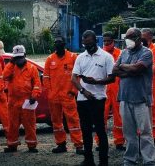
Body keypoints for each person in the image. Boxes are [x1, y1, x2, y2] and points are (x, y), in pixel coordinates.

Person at [71, 30, 115, 166]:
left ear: (96, 41)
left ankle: (103, 161)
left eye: (89, 42)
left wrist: (95, 82)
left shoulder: (106, 57)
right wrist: (83, 91)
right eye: (84, 43)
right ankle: (88, 160)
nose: (87, 45)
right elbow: (74, 78)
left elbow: (112, 78)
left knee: (100, 130)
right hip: (83, 99)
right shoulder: (80, 57)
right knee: (85, 130)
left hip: (98, 99)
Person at [113, 28, 155, 166]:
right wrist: (130, 70)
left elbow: (138, 69)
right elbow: (114, 70)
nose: (128, 40)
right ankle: (130, 159)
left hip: (141, 99)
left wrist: (124, 66)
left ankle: (148, 161)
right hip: (125, 98)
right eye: (127, 37)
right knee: (129, 133)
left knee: (145, 133)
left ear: (138, 38)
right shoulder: (124, 52)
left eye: (131, 37)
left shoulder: (147, 53)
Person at [43, 36, 84, 154]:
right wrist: (50, 92)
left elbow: (78, 75)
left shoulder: (73, 57)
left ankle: (78, 145)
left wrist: (73, 91)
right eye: (55, 43)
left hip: (68, 95)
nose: (57, 44)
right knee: (56, 121)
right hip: (54, 97)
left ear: (64, 44)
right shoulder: (50, 59)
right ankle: (61, 144)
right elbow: (46, 78)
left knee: (73, 120)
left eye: (59, 42)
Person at [3, 45, 41, 153]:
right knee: (12, 125)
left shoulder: (32, 68)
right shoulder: (11, 67)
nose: (19, 60)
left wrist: (34, 95)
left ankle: (32, 145)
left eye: (20, 57)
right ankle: (12, 145)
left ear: (25, 55)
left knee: (29, 124)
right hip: (13, 102)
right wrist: (11, 63)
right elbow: (4, 76)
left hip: (27, 101)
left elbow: (37, 84)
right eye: (16, 57)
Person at [95, 32, 125, 150]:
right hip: (104, 89)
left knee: (119, 117)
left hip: (118, 89)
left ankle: (119, 142)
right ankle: (100, 142)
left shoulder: (121, 54)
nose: (107, 43)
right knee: (101, 116)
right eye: (105, 41)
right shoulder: (99, 54)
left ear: (114, 41)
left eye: (109, 41)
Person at [141, 28, 155, 153]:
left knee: (154, 118)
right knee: (146, 118)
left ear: (149, 38)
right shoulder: (142, 50)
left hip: (154, 87)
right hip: (145, 88)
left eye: (143, 38)